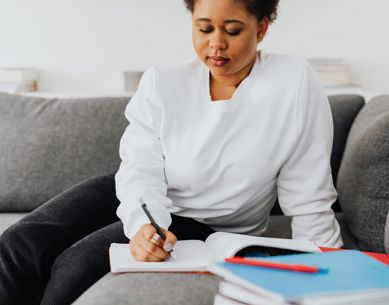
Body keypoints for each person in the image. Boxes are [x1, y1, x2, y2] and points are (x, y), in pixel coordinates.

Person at [0, 0, 342, 304]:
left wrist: (331, 268)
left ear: (262, 28)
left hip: (206, 224)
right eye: (204, 28)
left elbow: (308, 190)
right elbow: (140, 165)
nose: (216, 43)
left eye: (233, 30)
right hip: (149, 198)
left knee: (77, 263)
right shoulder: (163, 81)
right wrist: (143, 225)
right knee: (21, 241)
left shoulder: (293, 82)